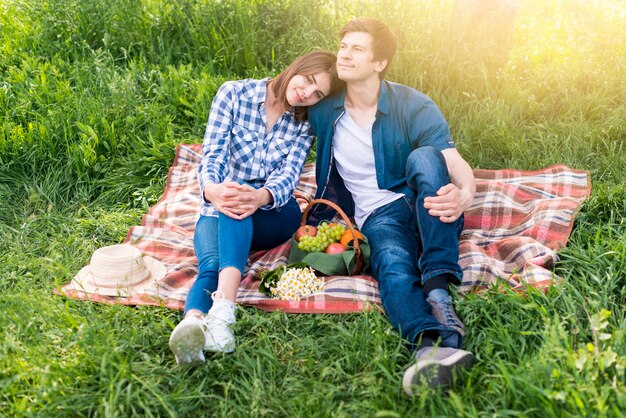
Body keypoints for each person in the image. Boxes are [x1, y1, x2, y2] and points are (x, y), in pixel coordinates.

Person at [306, 18, 476, 394]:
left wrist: (465, 193)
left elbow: (450, 157)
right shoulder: (324, 109)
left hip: (426, 202)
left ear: (379, 62)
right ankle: (430, 347)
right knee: (393, 266)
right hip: (378, 215)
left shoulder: (413, 104)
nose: (345, 55)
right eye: (343, 46)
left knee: (426, 158)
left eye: (357, 49)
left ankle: (436, 286)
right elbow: (283, 109)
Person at [169, 50, 344, 365]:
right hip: (221, 203)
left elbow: (289, 176)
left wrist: (259, 196)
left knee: (241, 197)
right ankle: (195, 324)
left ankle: (221, 315)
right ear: (297, 66)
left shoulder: (303, 124)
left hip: (276, 212)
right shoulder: (234, 94)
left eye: (317, 93)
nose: (306, 93)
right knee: (212, 263)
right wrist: (213, 190)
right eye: (309, 80)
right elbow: (213, 154)